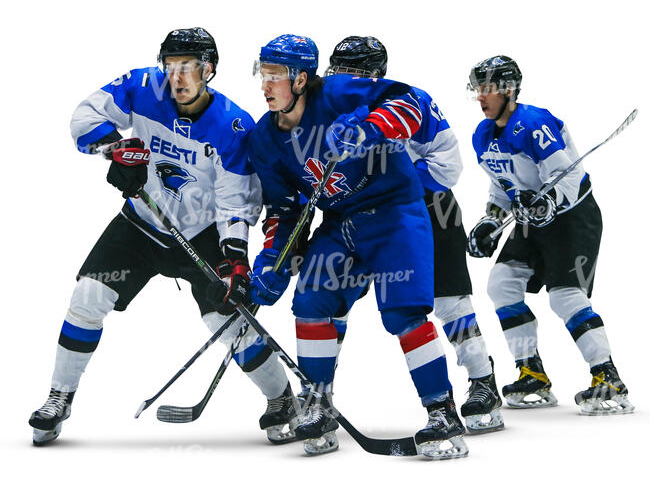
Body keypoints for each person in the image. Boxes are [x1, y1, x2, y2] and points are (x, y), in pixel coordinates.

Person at [28, 28, 298, 446]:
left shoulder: (232, 125)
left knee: (226, 323)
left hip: (202, 234)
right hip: (141, 224)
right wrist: (115, 149)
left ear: (209, 69)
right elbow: (84, 118)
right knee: (87, 298)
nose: (178, 77)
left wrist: (236, 260)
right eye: (171, 66)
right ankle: (58, 398)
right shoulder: (140, 87)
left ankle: (282, 399)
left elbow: (236, 202)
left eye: (189, 66)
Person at [246, 34, 468, 459]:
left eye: (275, 75)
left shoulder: (339, 91)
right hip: (341, 223)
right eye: (263, 73)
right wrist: (274, 261)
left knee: (404, 312)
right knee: (310, 301)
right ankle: (318, 404)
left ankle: (442, 413)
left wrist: (370, 128)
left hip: (394, 212)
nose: (265, 84)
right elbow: (284, 208)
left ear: (301, 78)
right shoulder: (265, 138)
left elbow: (410, 103)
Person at [321, 35, 504, 434]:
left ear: (375, 74)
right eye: (339, 69)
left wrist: (391, 185)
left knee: (449, 301)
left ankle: (482, 381)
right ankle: (320, 397)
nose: (344, 79)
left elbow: (448, 167)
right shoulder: (319, 107)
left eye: (355, 72)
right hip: (355, 217)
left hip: (425, 210)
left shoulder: (409, 101)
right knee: (329, 300)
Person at [466, 55, 634, 415]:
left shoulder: (534, 123)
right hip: (532, 221)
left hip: (573, 218)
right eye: (477, 89)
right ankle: (532, 373)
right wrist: (489, 223)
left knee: (565, 297)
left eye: (488, 89)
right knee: (501, 284)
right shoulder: (482, 135)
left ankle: (608, 377)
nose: (481, 97)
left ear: (508, 90)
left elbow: (568, 177)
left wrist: (549, 202)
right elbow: (502, 188)